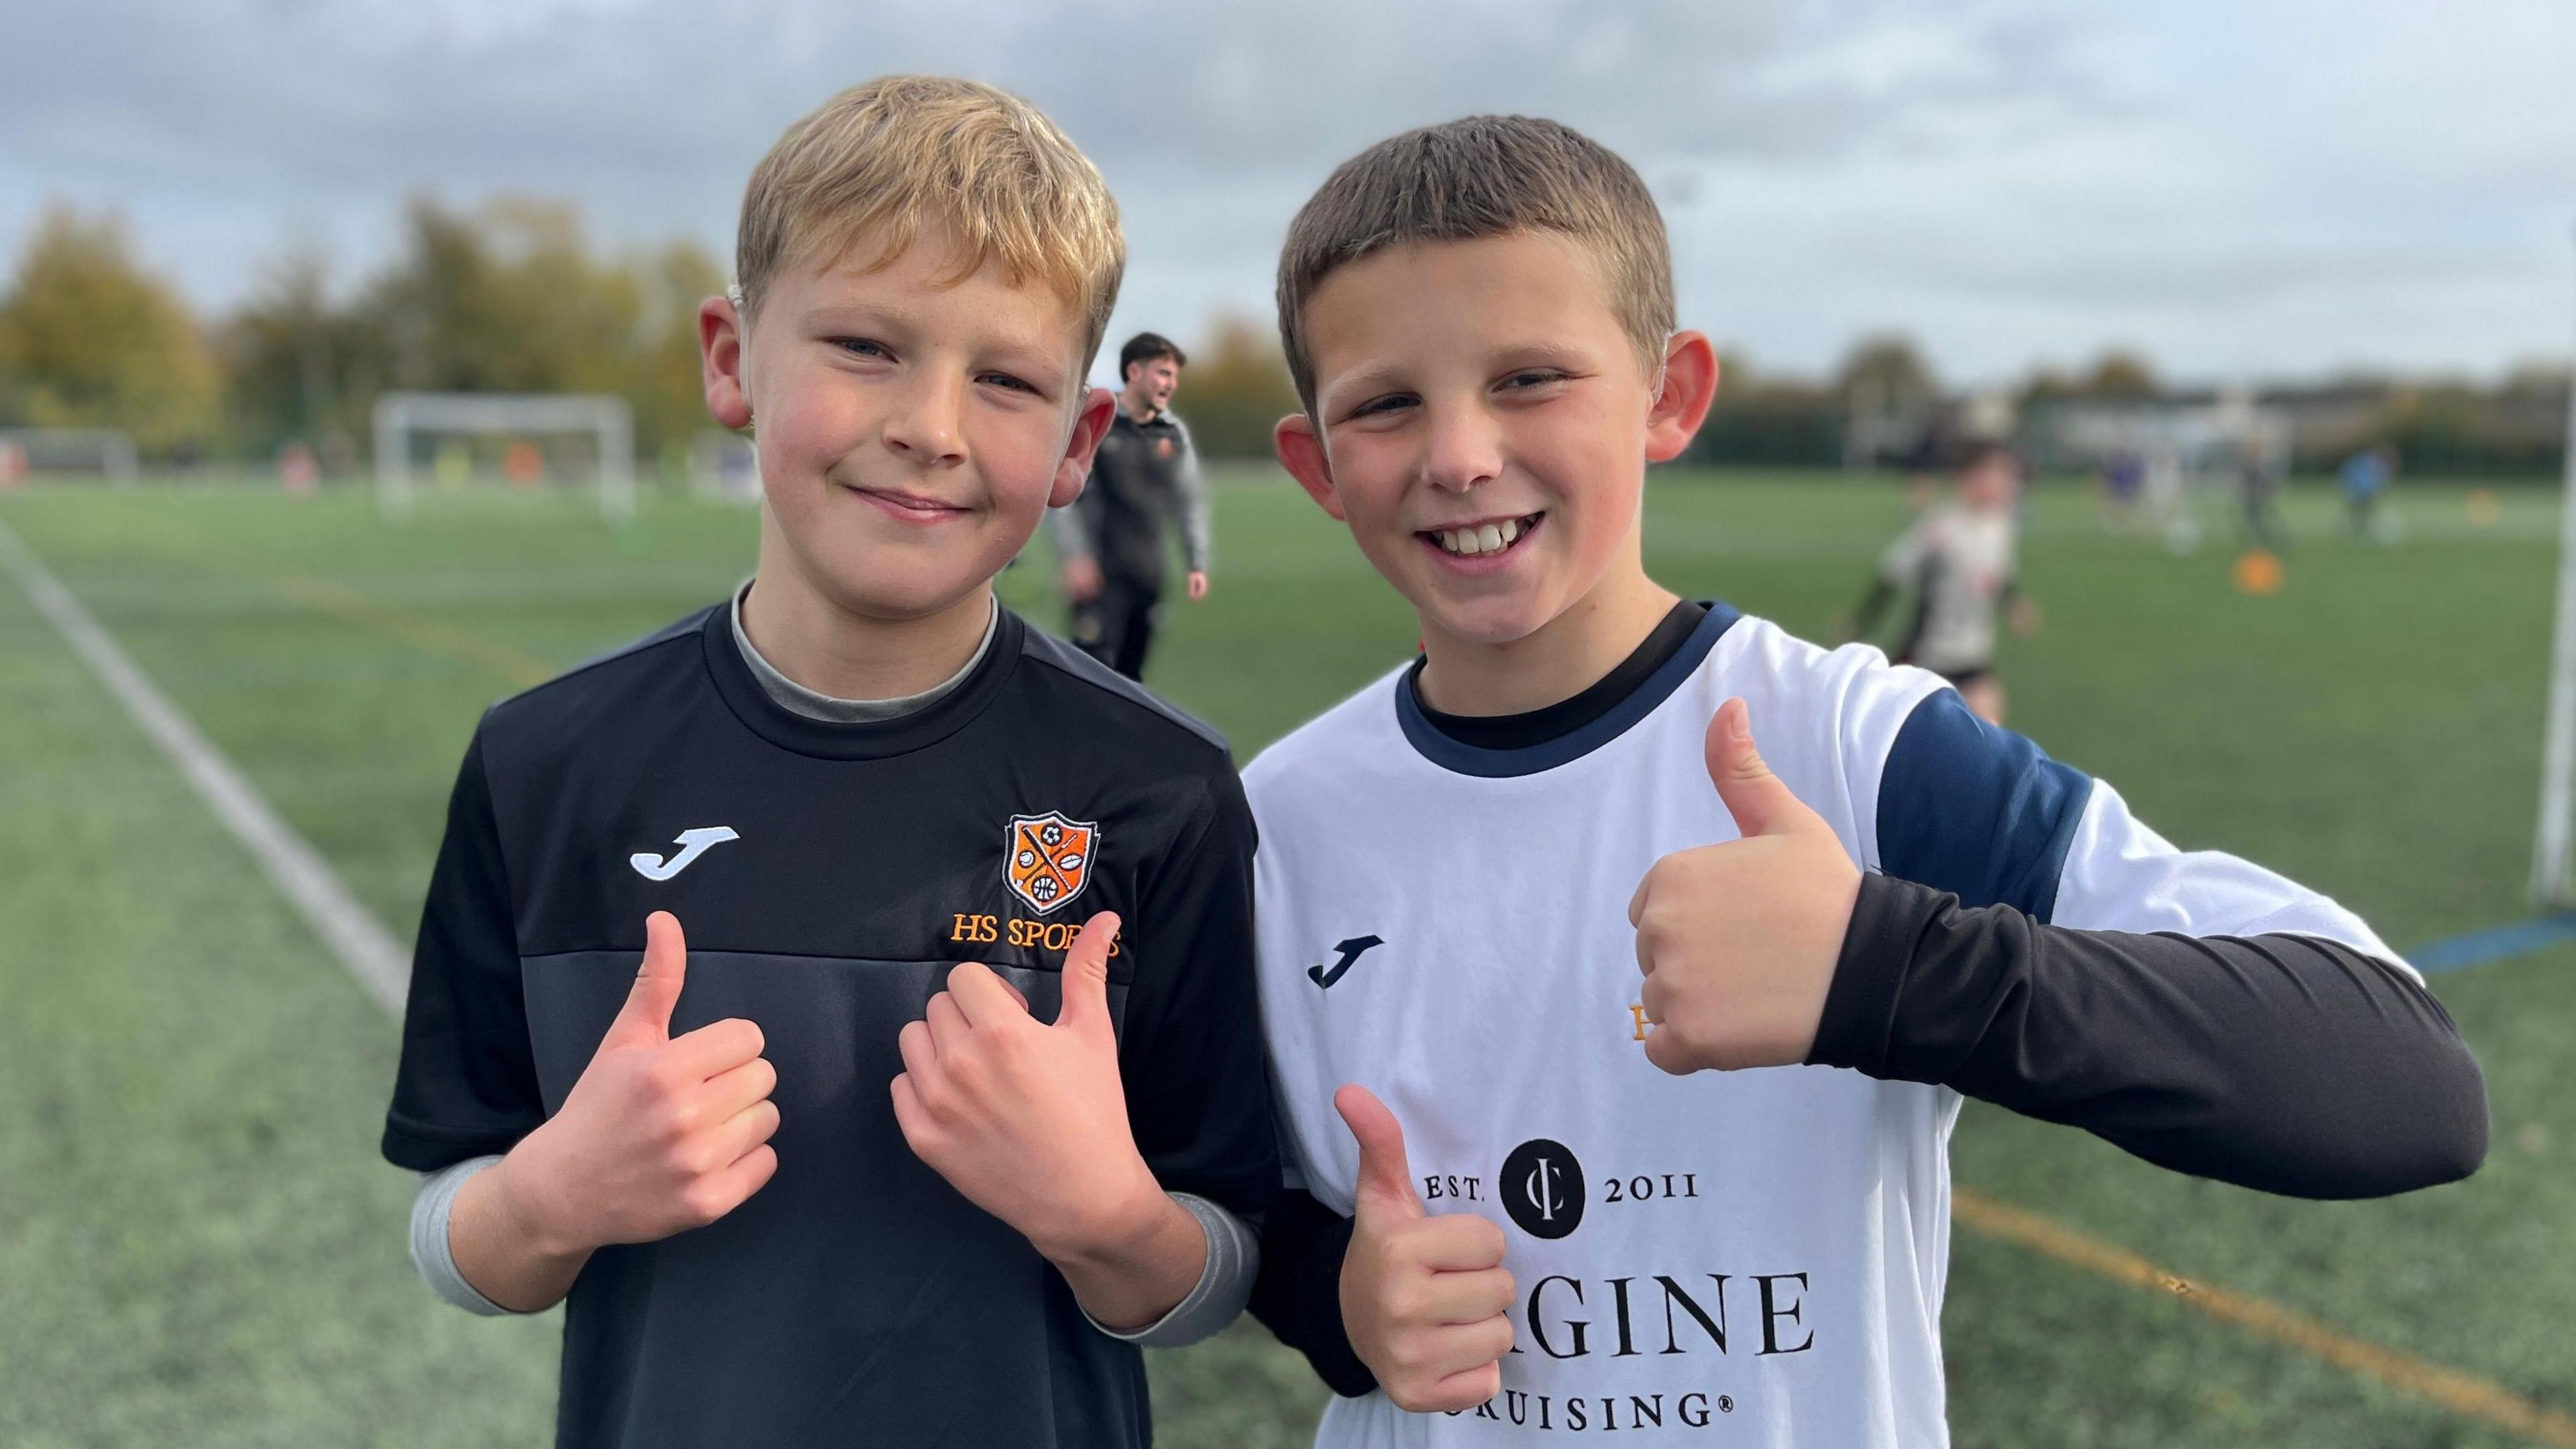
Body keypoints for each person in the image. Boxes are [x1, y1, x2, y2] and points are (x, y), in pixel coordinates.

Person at [1239, 115, 2485, 1448]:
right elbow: (1240, 1204)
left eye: (1531, 378)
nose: (1460, 455)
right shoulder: (1279, 819)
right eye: (1386, 404)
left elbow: (2408, 1084)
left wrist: (1886, 968)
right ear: (1317, 464)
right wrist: (1340, 1302)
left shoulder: (1852, 747)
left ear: (1669, 396)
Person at [380, 76, 1277, 1448]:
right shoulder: (545, 761)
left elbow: (1221, 1256)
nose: (932, 424)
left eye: (1006, 380)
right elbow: (458, 1220)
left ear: (1079, 443)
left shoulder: (1162, 790)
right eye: (865, 345)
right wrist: (552, 1198)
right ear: (732, 359)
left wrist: (1109, 1219)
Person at [1051, 331, 1212, 680]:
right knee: (1091, 675)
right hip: (1101, 576)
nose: (1170, 384)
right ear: (1135, 373)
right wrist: (1076, 556)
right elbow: (1065, 498)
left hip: (1148, 573)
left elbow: (1187, 501)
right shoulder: (1099, 426)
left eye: (1173, 376)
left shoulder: (1171, 434)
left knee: (1133, 679)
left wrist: (1196, 560)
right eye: (1162, 373)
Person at [1845, 441, 2037, 725]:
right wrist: (1861, 621)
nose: (2002, 484)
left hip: (1974, 655)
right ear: (1967, 479)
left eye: (2006, 476)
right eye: (1991, 475)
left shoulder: (2000, 527)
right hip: (1929, 657)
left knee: (1989, 729)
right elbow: (1893, 573)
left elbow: (1995, 577)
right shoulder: (1941, 528)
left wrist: (2013, 603)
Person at [2342, 442, 2398, 540]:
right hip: (2362, 490)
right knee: (2363, 510)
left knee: (2362, 511)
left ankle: (2362, 528)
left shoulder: (2368, 461)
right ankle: (2363, 528)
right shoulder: (2373, 462)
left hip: (2360, 490)